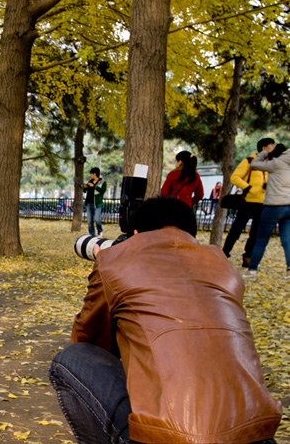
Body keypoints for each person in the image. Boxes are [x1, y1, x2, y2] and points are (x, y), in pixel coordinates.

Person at [49, 196, 282, 444]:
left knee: (71, 359)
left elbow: (90, 342)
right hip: (258, 435)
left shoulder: (115, 259)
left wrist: (106, 261)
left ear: (135, 233)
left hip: (171, 437)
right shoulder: (223, 265)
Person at [222, 138, 274, 268]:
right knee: (237, 229)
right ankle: (224, 253)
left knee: (255, 232)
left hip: (263, 202)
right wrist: (247, 187)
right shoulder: (249, 161)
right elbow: (235, 177)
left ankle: (248, 256)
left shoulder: (271, 163)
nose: (274, 148)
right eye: (271, 146)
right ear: (264, 148)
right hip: (248, 201)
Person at [245, 143, 290, 279]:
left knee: (261, 240)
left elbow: (254, 164)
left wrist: (265, 152)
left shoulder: (275, 164)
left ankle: (252, 270)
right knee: (287, 239)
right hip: (288, 206)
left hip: (273, 206)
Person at [83, 167, 107, 237]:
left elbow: (102, 191)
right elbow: (85, 191)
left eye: (91, 174)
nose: (90, 175)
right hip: (89, 203)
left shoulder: (102, 182)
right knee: (89, 221)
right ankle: (92, 234)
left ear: (95, 174)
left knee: (97, 219)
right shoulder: (90, 181)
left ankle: (100, 231)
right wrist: (84, 187)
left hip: (97, 203)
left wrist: (94, 186)